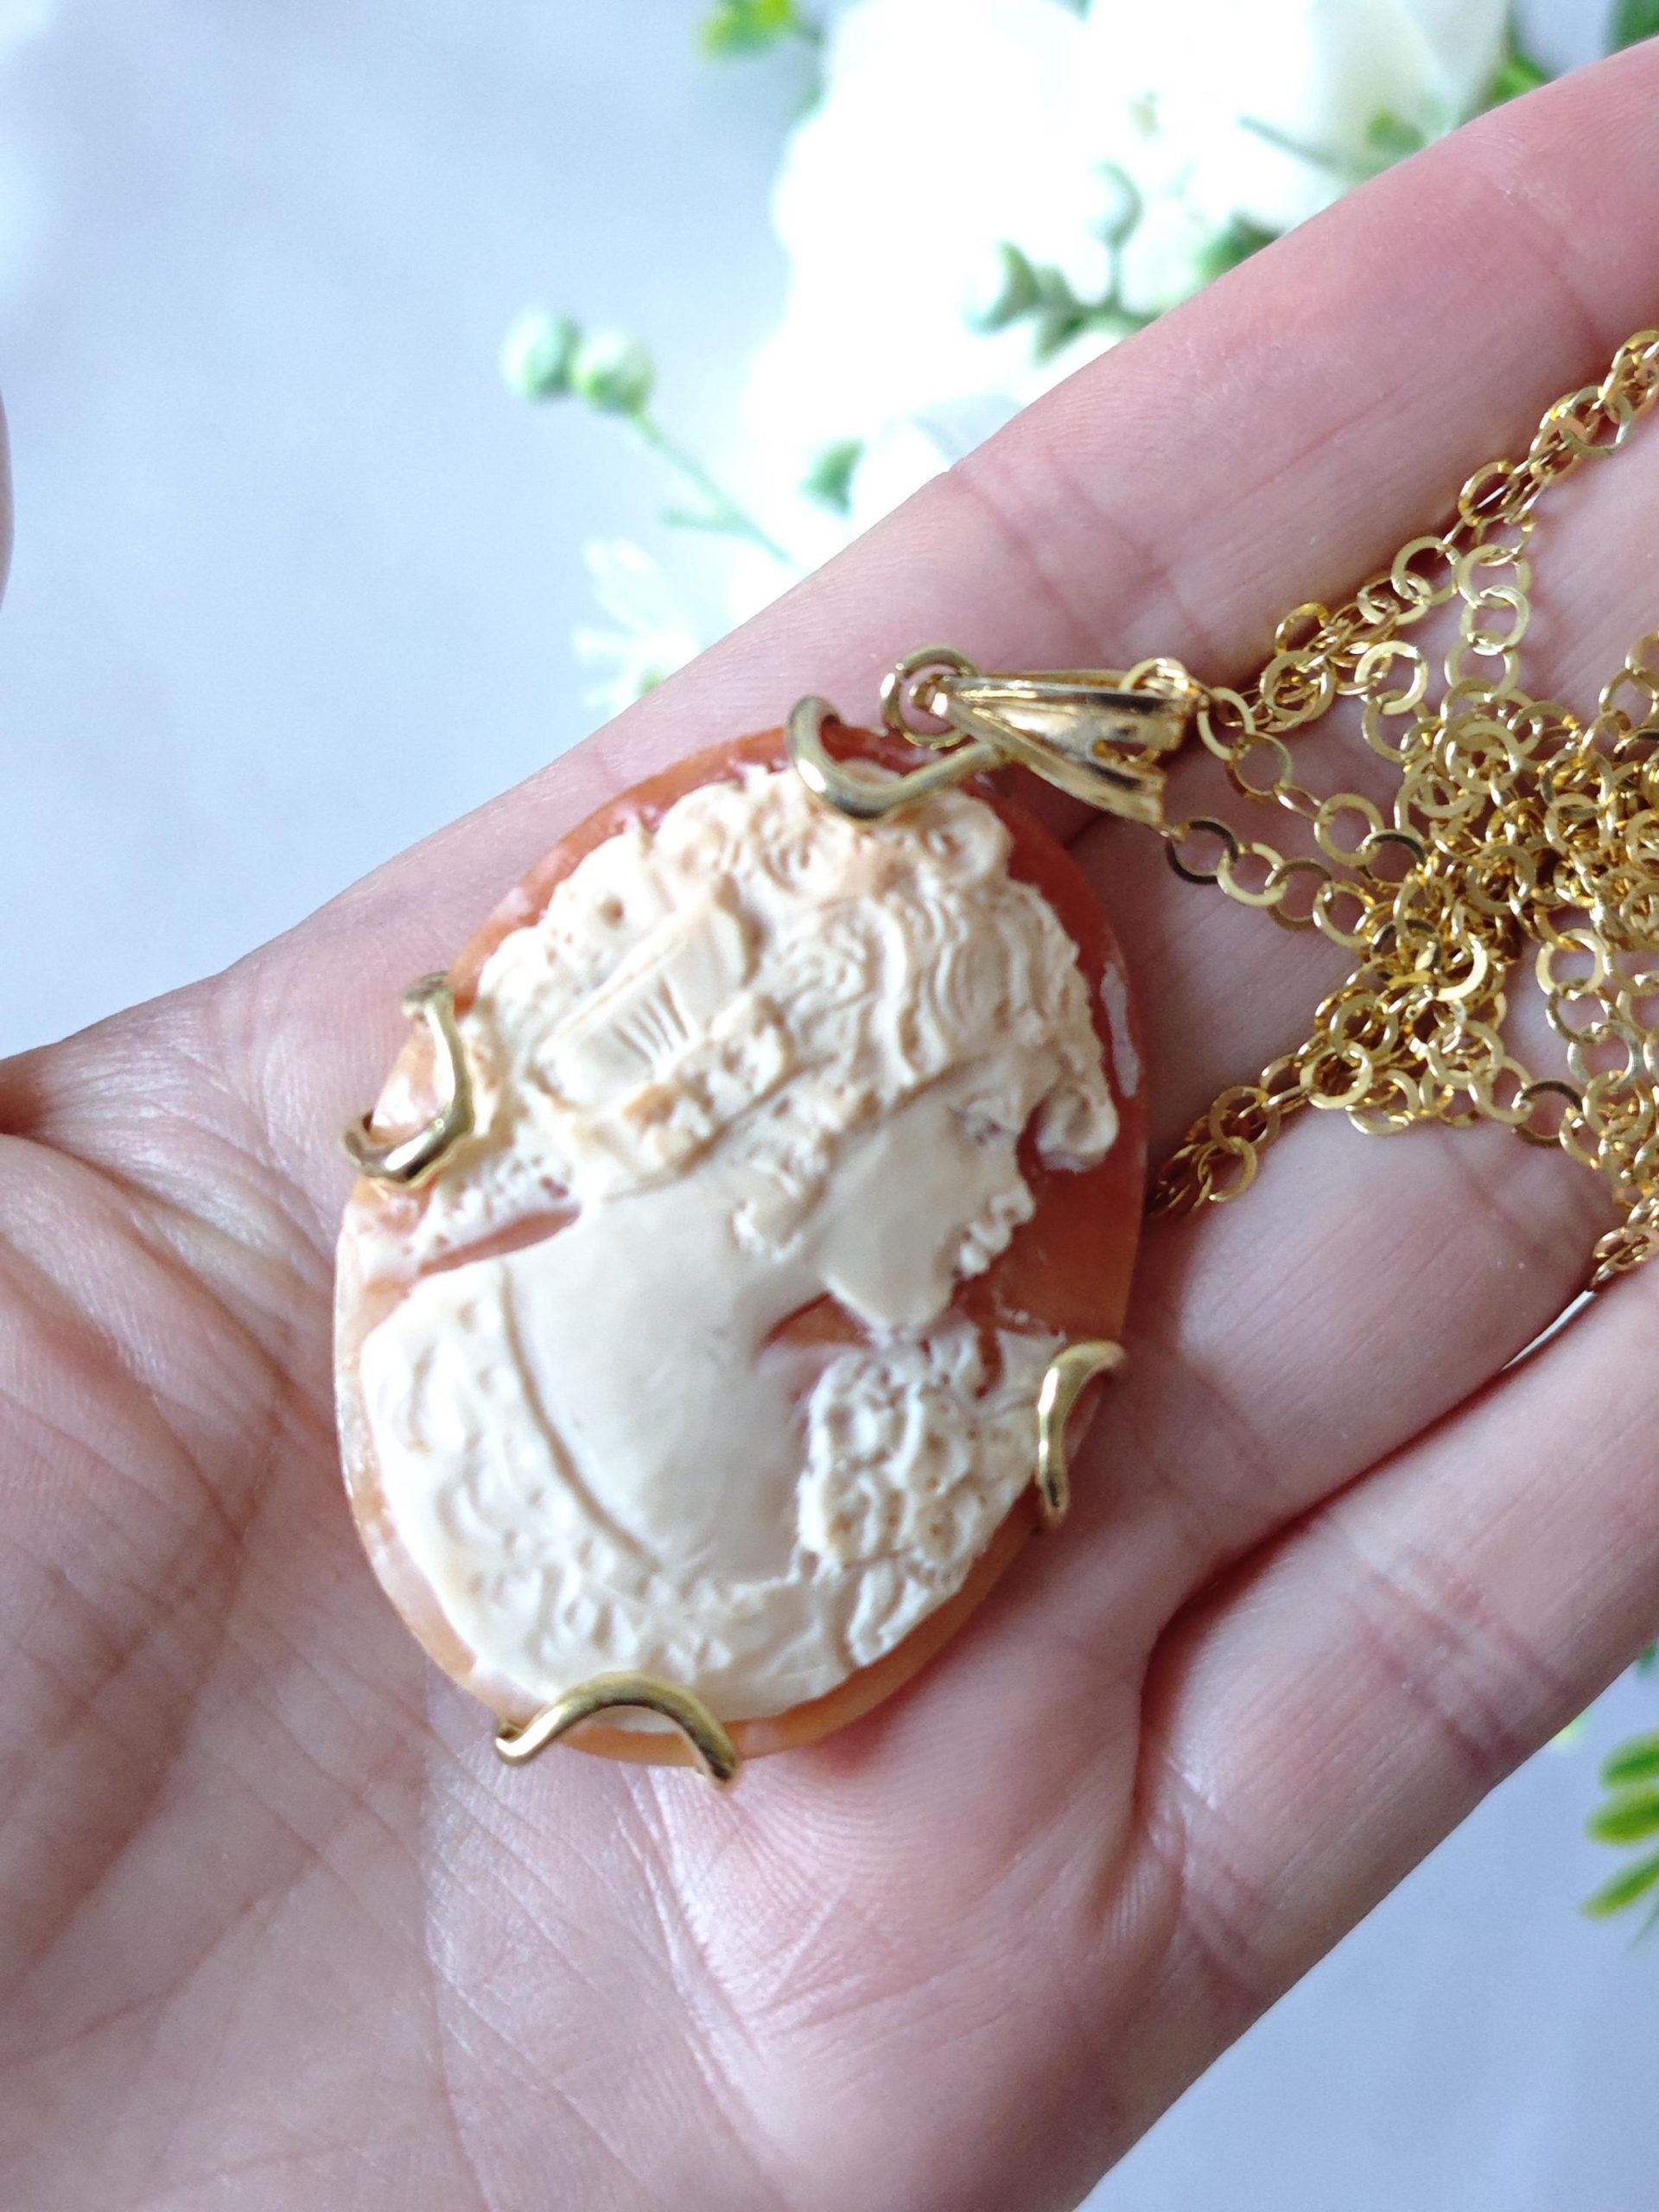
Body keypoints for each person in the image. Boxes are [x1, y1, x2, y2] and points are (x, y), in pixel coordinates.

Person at [3, 41, 1657, 2212]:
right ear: (802, 1105)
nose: (1004, 1212)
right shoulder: (514, 1424)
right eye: (984, 1138)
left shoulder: (838, 1513)